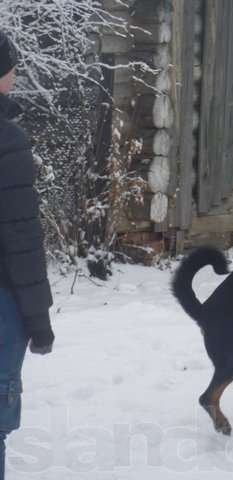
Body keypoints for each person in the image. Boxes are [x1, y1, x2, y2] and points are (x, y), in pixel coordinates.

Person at [0, 30, 55, 478]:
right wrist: (38, 320)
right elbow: (21, 238)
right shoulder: (6, 141)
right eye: (10, 67)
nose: (15, 76)